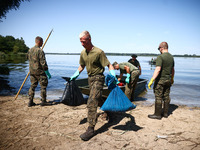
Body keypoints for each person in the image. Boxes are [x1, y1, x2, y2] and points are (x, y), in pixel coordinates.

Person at [70, 31, 116, 141]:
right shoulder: (83, 53)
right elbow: (82, 65)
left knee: (91, 101)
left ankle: (91, 129)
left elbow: (109, 65)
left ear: (89, 39)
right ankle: (110, 113)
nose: (82, 44)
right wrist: (75, 74)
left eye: (84, 41)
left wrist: (112, 73)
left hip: (99, 78)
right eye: (80, 42)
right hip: (90, 79)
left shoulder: (99, 52)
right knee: (98, 99)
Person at [148, 42, 175, 119]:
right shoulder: (171, 57)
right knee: (166, 96)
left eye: (159, 48)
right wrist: (172, 78)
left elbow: (158, 69)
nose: (159, 50)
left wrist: (152, 80)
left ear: (161, 48)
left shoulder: (160, 57)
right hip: (168, 80)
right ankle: (165, 113)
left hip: (161, 80)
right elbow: (172, 70)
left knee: (158, 96)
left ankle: (157, 115)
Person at [27, 36, 51, 107]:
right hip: (39, 72)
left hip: (32, 71)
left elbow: (27, 58)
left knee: (33, 86)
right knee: (43, 86)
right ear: (39, 42)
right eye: (42, 42)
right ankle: (43, 101)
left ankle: (30, 101)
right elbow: (43, 63)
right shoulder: (40, 51)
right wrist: (47, 72)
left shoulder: (30, 50)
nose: (42, 43)